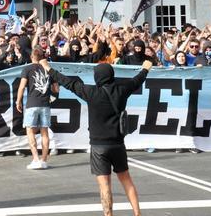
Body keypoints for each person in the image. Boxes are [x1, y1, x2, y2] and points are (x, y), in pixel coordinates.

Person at [39, 58, 152, 216]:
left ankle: (108, 214)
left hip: (99, 146)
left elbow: (67, 82)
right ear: (111, 75)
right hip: (118, 144)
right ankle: (137, 213)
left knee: (104, 185)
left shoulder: (91, 92)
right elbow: (137, 80)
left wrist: (48, 67)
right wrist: (146, 68)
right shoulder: (122, 89)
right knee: (126, 179)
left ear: (97, 77)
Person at [16, 48, 59, 170]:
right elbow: (56, 89)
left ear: (31, 57)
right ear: (42, 57)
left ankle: (35, 159)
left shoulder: (27, 69)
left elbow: (22, 86)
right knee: (44, 132)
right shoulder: (49, 69)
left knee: (30, 131)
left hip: (32, 103)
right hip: (45, 104)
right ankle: (44, 160)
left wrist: (18, 101)